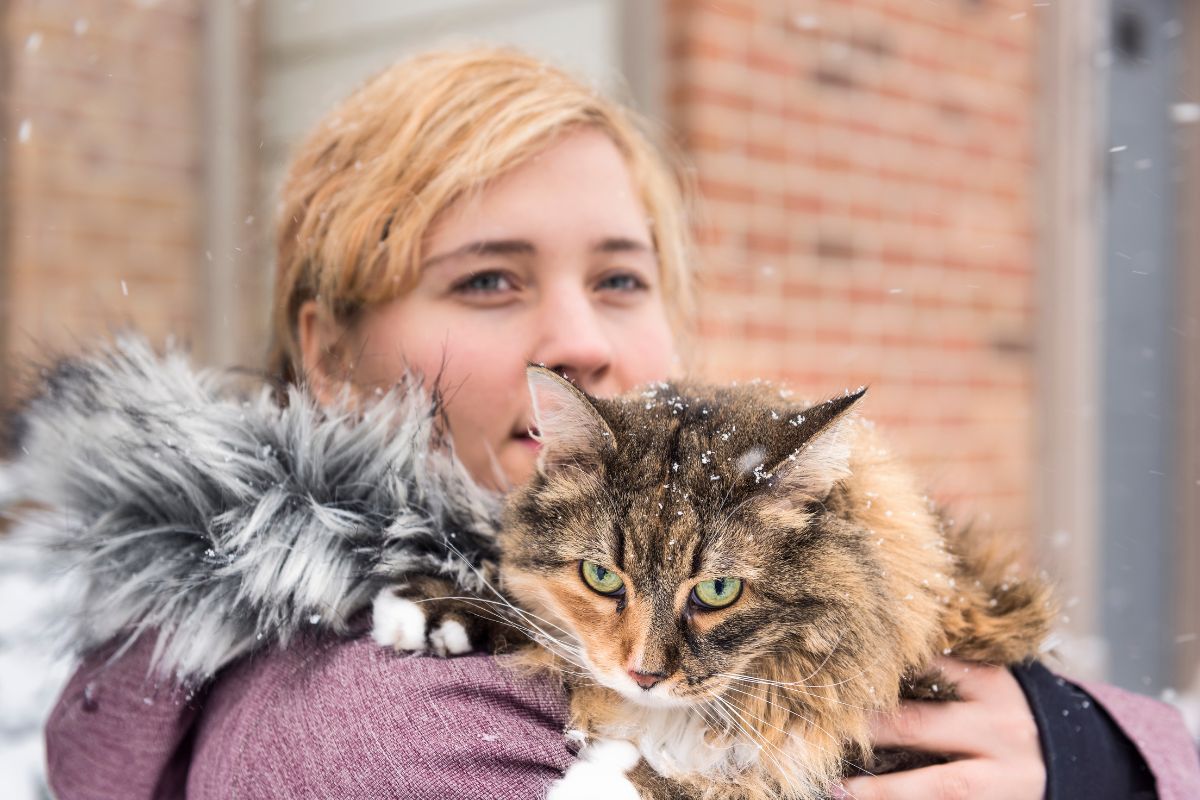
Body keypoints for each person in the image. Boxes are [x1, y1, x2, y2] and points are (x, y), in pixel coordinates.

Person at [41, 48, 1198, 800]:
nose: (578, 340)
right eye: (489, 281)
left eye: (621, 280)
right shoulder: (387, 716)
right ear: (331, 354)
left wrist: (1094, 743)